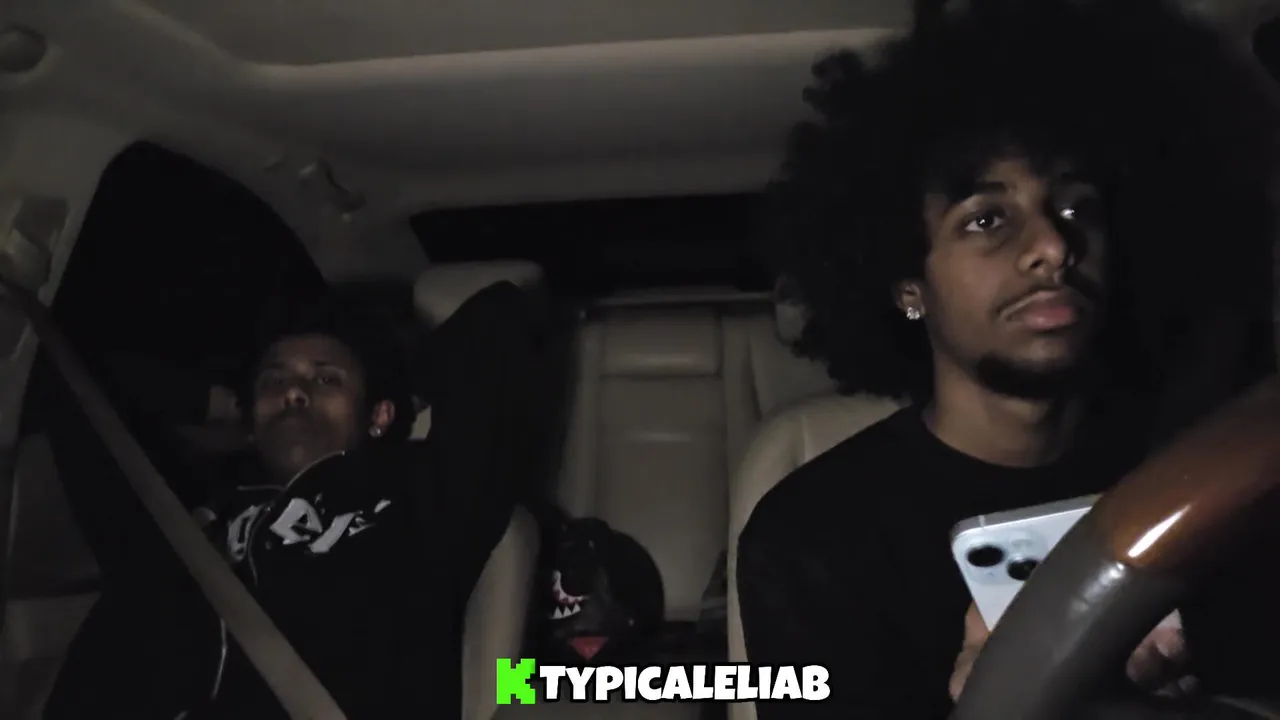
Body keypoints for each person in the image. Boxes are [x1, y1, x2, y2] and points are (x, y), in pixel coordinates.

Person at [737, 1, 1280, 717]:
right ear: (908, 286)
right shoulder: (815, 534)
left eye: (1077, 208)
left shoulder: (1208, 473)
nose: (1053, 247)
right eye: (987, 219)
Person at [41, 283, 537, 719]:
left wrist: (403, 380)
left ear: (378, 416)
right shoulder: (180, 512)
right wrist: (217, 405)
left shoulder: (417, 495)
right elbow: (70, 376)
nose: (294, 392)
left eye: (326, 379)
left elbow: (499, 319)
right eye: (274, 380)